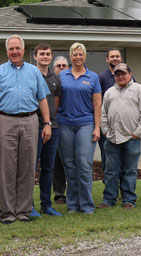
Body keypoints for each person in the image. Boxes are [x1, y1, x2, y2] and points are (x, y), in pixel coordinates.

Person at [0, 35, 51, 224]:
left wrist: (47, 123)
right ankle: (8, 213)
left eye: (17, 48)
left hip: (30, 121)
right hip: (5, 121)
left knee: (27, 167)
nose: (14, 52)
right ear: (7, 52)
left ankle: (23, 211)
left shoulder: (34, 72)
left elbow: (42, 98)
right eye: (11, 49)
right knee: (7, 168)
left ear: (23, 49)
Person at [98, 63, 141, 209]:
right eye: (117, 74)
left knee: (129, 170)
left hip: (131, 138)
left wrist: (137, 133)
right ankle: (109, 200)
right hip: (112, 138)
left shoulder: (140, 90)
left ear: (130, 74)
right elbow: (103, 114)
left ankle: (128, 200)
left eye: (123, 73)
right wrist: (106, 131)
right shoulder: (109, 92)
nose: (120, 76)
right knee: (110, 171)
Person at [56, 43, 102, 214]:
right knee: (69, 165)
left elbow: (97, 103)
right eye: (75, 54)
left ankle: (87, 205)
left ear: (85, 56)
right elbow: (57, 101)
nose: (78, 57)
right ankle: (73, 205)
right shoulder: (62, 76)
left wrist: (97, 127)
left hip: (86, 124)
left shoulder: (93, 77)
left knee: (84, 164)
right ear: (70, 56)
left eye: (80, 54)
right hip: (65, 124)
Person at [33, 43, 63, 217]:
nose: (45, 56)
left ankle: (46, 204)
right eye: (41, 54)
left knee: (48, 168)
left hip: (53, 127)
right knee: (31, 168)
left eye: (48, 54)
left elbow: (56, 103)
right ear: (35, 56)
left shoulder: (55, 78)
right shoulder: (31, 74)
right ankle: (28, 205)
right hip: (34, 127)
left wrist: (50, 123)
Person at [98, 49, 124, 172]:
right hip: (107, 126)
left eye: (117, 56)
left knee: (124, 160)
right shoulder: (102, 78)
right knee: (108, 158)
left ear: (121, 59)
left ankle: (124, 188)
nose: (115, 59)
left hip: (125, 126)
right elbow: (98, 102)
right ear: (107, 59)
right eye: (112, 56)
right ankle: (109, 188)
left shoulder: (129, 77)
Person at [52, 56, 69, 205]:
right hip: (53, 124)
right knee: (57, 161)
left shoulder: (71, 83)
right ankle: (59, 194)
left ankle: (74, 192)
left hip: (70, 124)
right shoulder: (49, 82)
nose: (62, 68)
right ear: (54, 69)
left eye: (64, 65)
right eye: (59, 66)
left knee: (70, 160)